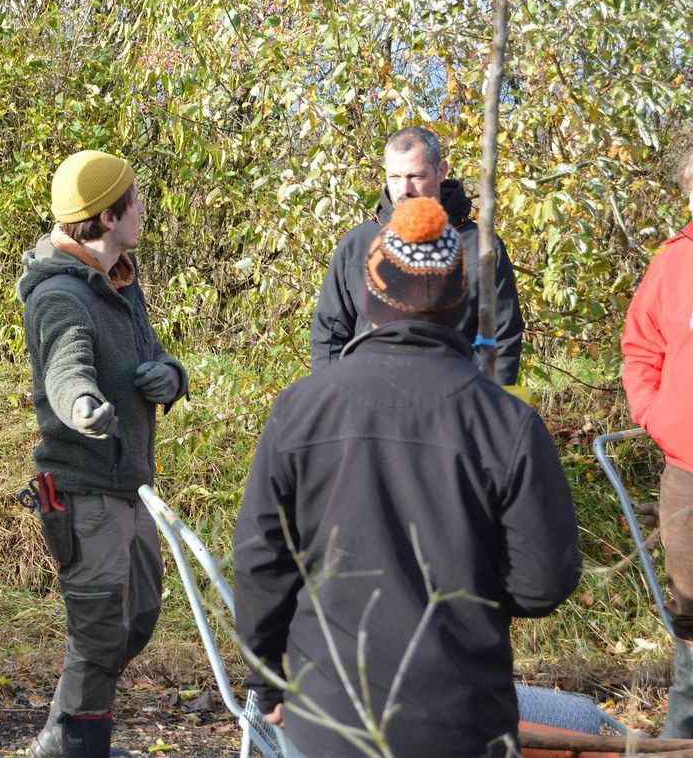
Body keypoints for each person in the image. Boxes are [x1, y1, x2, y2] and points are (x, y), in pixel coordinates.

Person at [234, 197, 581, 757]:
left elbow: (259, 560)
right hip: (463, 715)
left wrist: (267, 677)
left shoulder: (301, 409)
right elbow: (543, 583)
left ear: (367, 297)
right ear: (460, 301)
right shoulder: (506, 421)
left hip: (328, 710)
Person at [17, 150, 189, 758]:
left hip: (131, 484)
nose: (143, 209)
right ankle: (77, 747)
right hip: (83, 488)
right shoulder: (60, 295)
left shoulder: (119, 280)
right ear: (109, 215)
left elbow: (153, 350)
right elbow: (66, 369)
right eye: (135, 201)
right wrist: (83, 405)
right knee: (99, 632)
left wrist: (170, 376)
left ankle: (63, 740)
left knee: (136, 617)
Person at [310, 125, 525, 385]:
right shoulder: (357, 244)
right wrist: (334, 399)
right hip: (369, 403)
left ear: (441, 171)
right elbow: (330, 332)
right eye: (395, 177)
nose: (404, 188)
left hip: (453, 404)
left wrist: (490, 409)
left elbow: (501, 338)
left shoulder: (481, 247)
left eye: (416, 176)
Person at [621, 146, 693, 737]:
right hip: (687, 471)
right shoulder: (671, 264)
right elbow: (641, 347)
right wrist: (655, 414)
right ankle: (683, 730)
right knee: (691, 608)